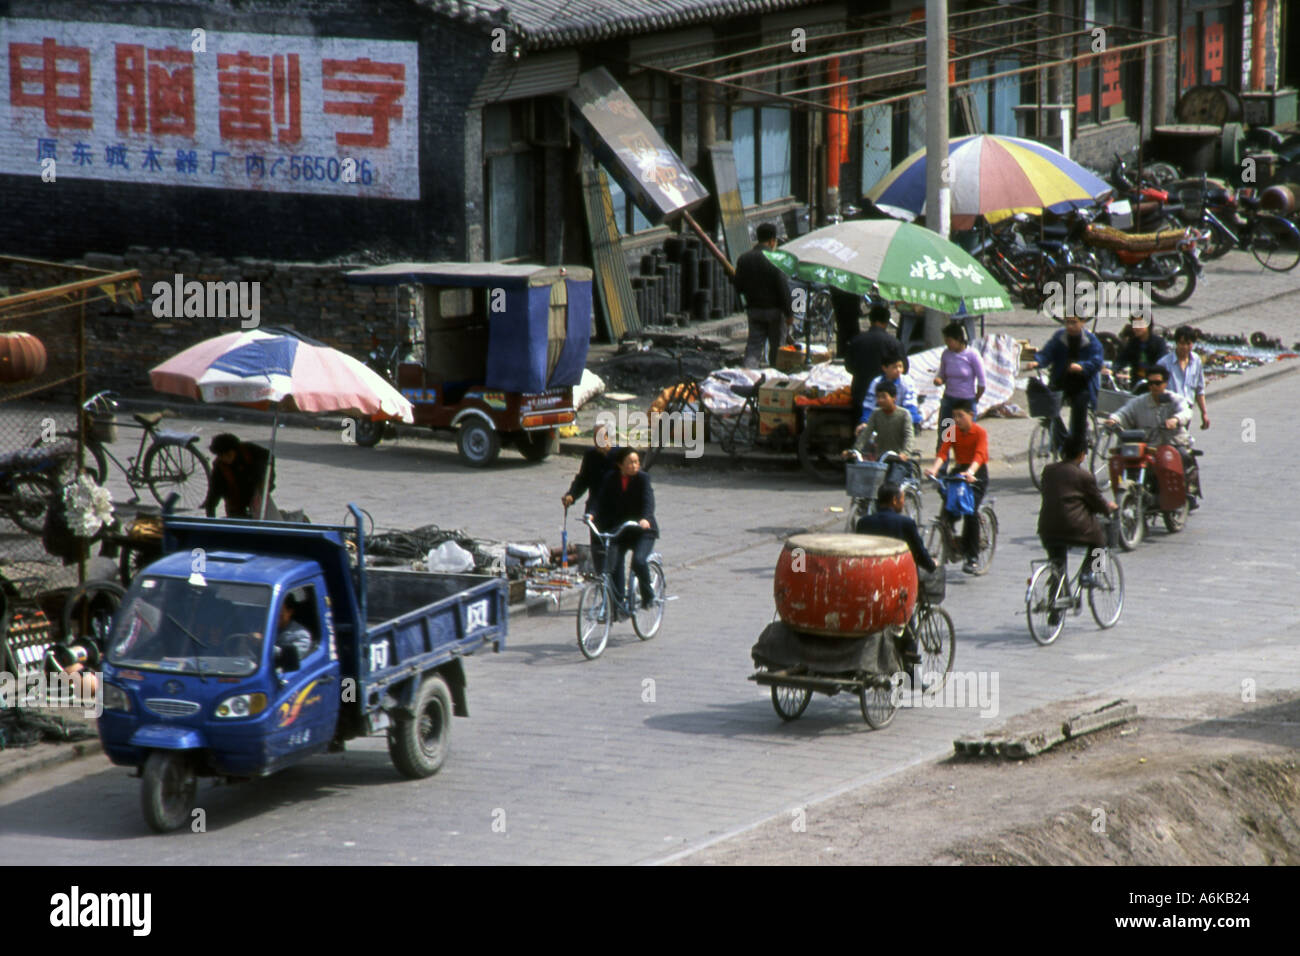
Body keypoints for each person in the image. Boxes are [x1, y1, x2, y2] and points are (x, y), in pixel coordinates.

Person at [855, 481, 936, 672]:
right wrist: (932, 565)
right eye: (902, 499)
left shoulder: (864, 522)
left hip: (868, 585)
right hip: (896, 587)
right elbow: (920, 553)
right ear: (894, 500)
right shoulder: (905, 523)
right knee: (907, 623)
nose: (903, 503)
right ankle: (911, 674)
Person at [1037, 433, 1119, 602]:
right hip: (1074, 528)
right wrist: (1108, 508)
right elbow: (1097, 502)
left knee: (1058, 565)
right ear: (1082, 455)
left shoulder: (1048, 471)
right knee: (1100, 542)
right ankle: (1089, 573)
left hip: (1047, 528)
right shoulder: (1084, 476)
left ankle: (1055, 609)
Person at [1103, 366, 1201, 507]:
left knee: (1182, 456)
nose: (1154, 387)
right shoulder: (1140, 402)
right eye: (1150, 383)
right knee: (1122, 458)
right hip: (1148, 445)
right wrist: (1114, 419)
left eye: (1157, 383)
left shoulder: (1175, 399)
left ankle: (1187, 492)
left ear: (1165, 383)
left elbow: (1186, 411)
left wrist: (1175, 420)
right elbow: (1124, 413)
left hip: (1171, 442)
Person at [590, 447, 659, 615]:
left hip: (643, 531)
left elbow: (648, 502)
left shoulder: (643, 479)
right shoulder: (610, 478)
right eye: (631, 462)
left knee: (639, 561)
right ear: (620, 465)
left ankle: (648, 595)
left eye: (637, 462)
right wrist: (591, 513)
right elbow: (599, 499)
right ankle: (619, 605)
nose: (635, 466)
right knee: (613, 564)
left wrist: (645, 518)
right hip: (622, 530)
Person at [925, 399, 988, 575]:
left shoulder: (979, 432)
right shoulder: (951, 431)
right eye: (954, 416)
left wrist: (971, 472)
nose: (957, 419)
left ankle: (972, 557)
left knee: (970, 512)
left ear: (971, 415)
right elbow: (943, 453)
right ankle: (953, 540)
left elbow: (980, 455)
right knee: (947, 507)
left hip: (977, 473)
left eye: (960, 415)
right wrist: (934, 470)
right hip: (959, 470)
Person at [1025, 315, 1105, 446]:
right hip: (1061, 381)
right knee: (1049, 409)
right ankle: (1063, 442)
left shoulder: (1091, 341)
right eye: (1067, 322)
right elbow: (1047, 353)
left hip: (1082, 384)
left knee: (1078, 413)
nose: (1070, 326)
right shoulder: (1059, 337)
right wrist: (1037, 362)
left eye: (1074, 323)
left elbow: (1097, 360)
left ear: (1083, 322)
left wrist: (1082, 366)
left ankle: (1078, 446)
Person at [733, 222, 794, 369]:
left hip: (754, 310)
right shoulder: (775, 260)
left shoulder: (743, 259)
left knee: (753, 347)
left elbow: (738, 286)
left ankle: (747, 375)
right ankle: (775, 379)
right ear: (772, 241)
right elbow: (783, 288)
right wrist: (789, 313)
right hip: (774, 311)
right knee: (777, 349)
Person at [562, 423, 617, 572]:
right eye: (594, 438)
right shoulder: (590, 455)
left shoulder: (619, 457)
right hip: (595, 512)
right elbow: (583, 479)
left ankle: (615, 587)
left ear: (608, 437)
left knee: (614, 554)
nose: (597, 442)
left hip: (616, 511)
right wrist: (571, 495)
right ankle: (601, 582)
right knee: (597, 551)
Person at [845, 303, 906, 418]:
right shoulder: (894, 343)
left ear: (870, 320)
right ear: (887, 322)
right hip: (886, 395)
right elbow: (904, 369)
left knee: (861, 430)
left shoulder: (856, 340)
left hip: (860, 391)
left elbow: (849, 366)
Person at [933, 322, 986, 450]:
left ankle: (967, 466)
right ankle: (942, 467)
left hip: (966, 401)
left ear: (958, 339)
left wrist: (975, 398)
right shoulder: (946, 354)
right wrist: (939, 380)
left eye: (949, 341)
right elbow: (943, 374)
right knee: (946, 435)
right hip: (949, 400)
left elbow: (982, 382)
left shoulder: (972, 355)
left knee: (967, 437)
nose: (947, 344)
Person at [203, 433, 278, 519]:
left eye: (228, 455)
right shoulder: (219, 468)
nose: (225, 459)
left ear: (235, 450)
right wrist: (211, 518)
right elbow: (213, 493)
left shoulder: (251, 451)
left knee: (264, 514)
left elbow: (269, 459)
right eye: (221, 456)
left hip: (255, 487)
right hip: (234, 497)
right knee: (236, 518)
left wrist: (266, 482)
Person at [845, 380, 919, 463]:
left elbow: (909, 436)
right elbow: (866, 433)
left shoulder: (904, 414)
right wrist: (856, 450)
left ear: (894, 397)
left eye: (884, 397)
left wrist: (905, 453)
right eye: (878, 397)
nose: (880, 400)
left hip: (899, 458)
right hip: (881, 458)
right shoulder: (876, 413)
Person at [1158, 325, 1210, 431]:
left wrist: (1204, 413)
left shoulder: (1196, 361)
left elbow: (1199, 390)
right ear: (1176, 343)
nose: (1185, 347)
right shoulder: (1164, 363)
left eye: (1188, 344)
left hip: (1187, 409)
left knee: (1182, 440)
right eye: (1182, 343)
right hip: (1170, 409)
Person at [860, 356, 922, 426]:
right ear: (884, 368)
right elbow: (869, 405)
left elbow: (910, 405)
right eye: (894, 367)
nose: (898, 370)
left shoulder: (907, 381)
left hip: (903, 418)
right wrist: (865, 421)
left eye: (900, 366)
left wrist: (904, 421)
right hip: (882, 417)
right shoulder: (876, 382)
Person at [1117, 316, 1168, 387]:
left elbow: (1161, 363)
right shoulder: (1133, 342)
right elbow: (1121, 359)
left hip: (1154, 383)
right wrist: (1113, 369)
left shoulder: (1159, 343)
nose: (1136, 328)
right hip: (1136, 382)